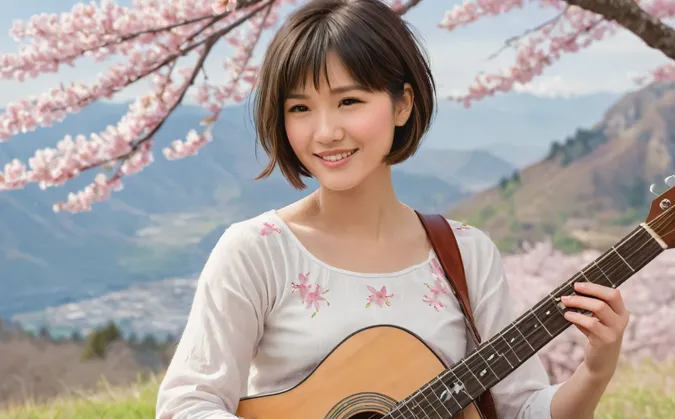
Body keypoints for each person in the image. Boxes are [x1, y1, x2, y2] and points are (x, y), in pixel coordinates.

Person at [155, 0, 630, 418]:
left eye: (349, 101)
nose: (325, 132)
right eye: (300, 108)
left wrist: (594, 371)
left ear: (402, 104)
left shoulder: (465, 253)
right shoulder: (256, 251)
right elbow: (187, 403)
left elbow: (520, 409)